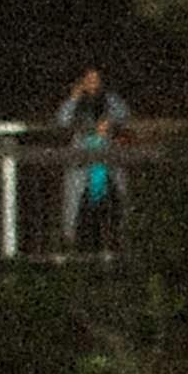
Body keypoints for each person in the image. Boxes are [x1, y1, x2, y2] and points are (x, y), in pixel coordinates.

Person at [52, 66, 129, 262]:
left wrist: (109, 123)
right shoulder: (76, 102)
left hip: (107, 161)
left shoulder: (111, 100)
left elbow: (123, 116)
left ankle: (114, 250)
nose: (92, 83)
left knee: (112, 206)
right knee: (77, 208)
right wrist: (73, 99)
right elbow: (62, 121)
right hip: (81, 162)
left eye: (96, 79)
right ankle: (74, 249)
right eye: (88, 80)